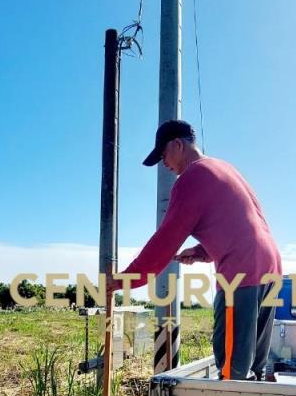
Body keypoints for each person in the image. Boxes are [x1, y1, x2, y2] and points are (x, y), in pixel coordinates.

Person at [107, 120, 282, 380]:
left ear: (178, 145)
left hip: (240, 274)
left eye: (163, 155)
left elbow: (162, 244)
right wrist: (201, 253)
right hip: (270, 269)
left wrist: (123, 280)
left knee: (232, 368)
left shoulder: (192, 177)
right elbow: (241, 225)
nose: (164, 164)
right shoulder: (224, 168)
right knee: (255, 363)